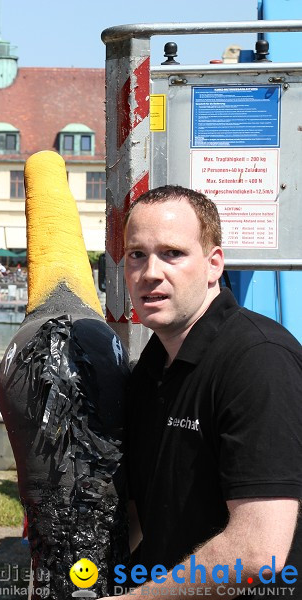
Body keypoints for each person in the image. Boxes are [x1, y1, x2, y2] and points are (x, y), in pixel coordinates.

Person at [117, 185, 302, 596]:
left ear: (214, 264)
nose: (150, 272)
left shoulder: (258, 361)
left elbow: (259, 551)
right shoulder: (150, 368)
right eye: (137, 254)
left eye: (172, 253)